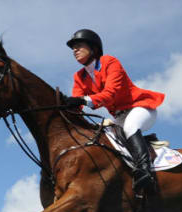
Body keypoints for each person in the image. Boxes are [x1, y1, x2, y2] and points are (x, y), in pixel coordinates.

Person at [64, 29, 165, 193]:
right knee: (102, 138)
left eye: (79, 45)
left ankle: (145, 171)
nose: (75, 50)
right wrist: (65, 106)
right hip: (119, 117)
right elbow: (77, 103)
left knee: (130, 127)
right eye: (73, 48)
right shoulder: (79, 76)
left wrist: (84, 100)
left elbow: (111, 94)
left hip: (141, 107)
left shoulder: (109, 62)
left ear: (94, 48)